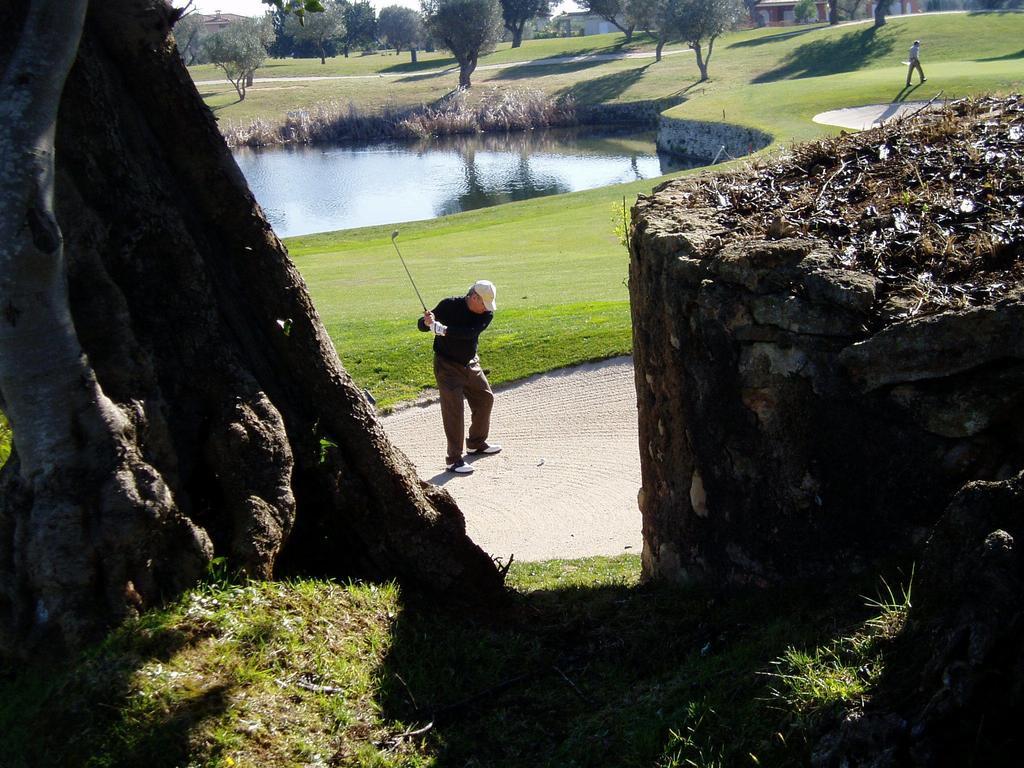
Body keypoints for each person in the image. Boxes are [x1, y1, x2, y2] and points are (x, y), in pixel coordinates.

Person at [418, 280, 502, 474]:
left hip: (470, 363)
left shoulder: (486, 314)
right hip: (446, 366)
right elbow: (422, 326)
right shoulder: (449, 305)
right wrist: (427, 322)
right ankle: (454, 460)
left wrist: (443, 330)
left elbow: (468, 333)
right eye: (483, 303)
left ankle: (475, 443)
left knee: (485, 399)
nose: (486, 308)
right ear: (474, 297)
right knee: (454, 410)